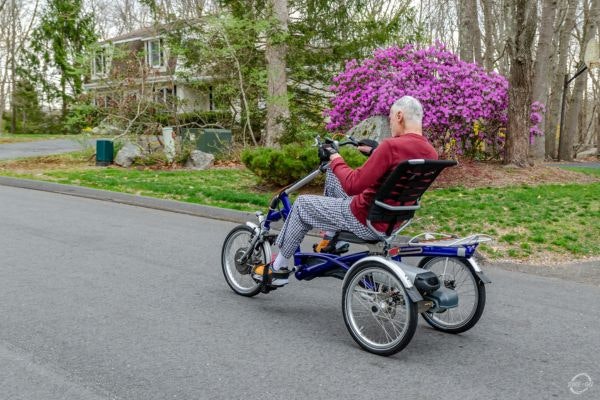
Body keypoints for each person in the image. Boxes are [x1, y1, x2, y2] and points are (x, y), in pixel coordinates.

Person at [254, 95, 438, 286]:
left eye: (390, 117)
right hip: (394, 219)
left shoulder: (391, 146)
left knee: (302, 204)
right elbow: (396, 171)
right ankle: (331, 240)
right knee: (334, 176)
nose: (390, 123)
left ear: (400, 116)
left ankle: (278, 268)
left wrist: (334, 157)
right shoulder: (430, 152)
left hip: (364, 218)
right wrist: (376, 153)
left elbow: (353, 185)